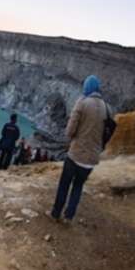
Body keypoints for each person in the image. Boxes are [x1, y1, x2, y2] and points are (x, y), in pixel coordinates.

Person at [50, 75, 109, 223]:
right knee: (78, 186)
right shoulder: (107, 108)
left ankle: (56, 213)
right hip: (92, 159)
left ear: (86, 88)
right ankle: (69, 216)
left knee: (65, 184)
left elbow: (69, 131)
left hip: (76, 154)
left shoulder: (82, 103)